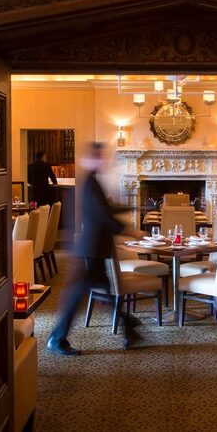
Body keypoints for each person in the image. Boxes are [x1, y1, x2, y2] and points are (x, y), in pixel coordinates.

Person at [46, 142, 145, 355]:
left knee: (106, 291)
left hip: (94, 248)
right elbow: (101, 215)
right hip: (89, 249)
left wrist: (132, 206)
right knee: (81, 295)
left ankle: (128, 328)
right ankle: (57, 338)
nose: (103, 160)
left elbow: (105, 207)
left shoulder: (93, 181)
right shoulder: (89, 183)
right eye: (98, 157)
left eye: (103, 157)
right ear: (89, 159)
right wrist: (130, 231)